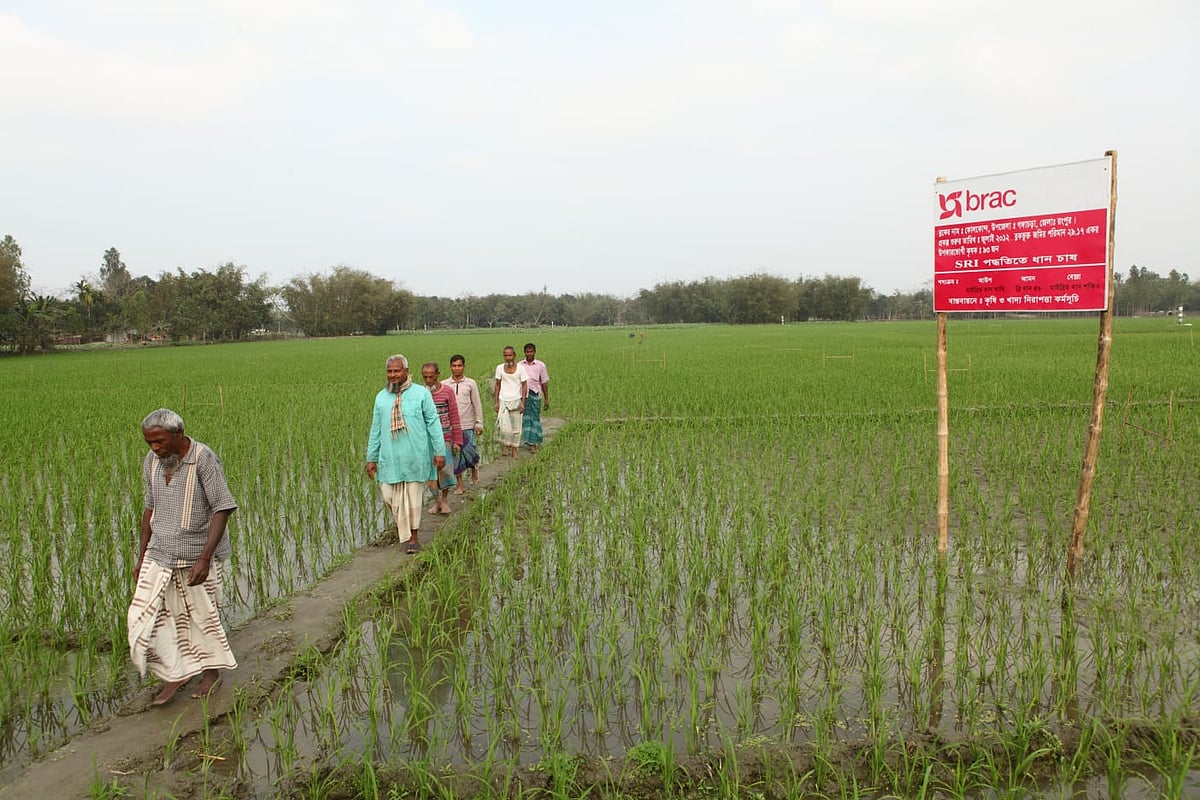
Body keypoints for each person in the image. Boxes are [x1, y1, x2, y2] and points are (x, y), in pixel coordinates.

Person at [127, 408, 238, 707]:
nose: (155, 448)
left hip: (195, 553)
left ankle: (210, 672)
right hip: (160, 551)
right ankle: (175, 672)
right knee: (149, 617)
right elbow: (149, 509)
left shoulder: (203, 458)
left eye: (160, 441)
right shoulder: (152, 462)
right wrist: (141, 557)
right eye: (149, 442)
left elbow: (222, 507)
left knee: (202, 616)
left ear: (178, 435)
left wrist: (204, 558)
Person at [366, 354, 446, 554]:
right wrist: (371, 457)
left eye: (397, 371)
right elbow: (375, 429)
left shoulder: (421, 394)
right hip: (390, 458)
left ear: (406, 372)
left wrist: (439, 451)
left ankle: (413, 538)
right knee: (388, 495)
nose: (393, 375)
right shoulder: (381, 397)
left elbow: (433, 423)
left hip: (415, 456)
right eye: (390, 371)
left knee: (413, 498)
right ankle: (404, 530)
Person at [421, 361, 462, 515]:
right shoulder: (420, 393)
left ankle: (444, 500)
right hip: (426, 440)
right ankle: (436, 501)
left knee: (445, 470)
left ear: (438, 374)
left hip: (445, 437)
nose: (428, 380)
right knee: (430, 472)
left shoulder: (448, 392)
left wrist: (457, 440)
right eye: (425, 377)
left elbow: (454, 415)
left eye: (431, 376)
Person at [443, 354, 483, 492]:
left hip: (468, 425)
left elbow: (476, 404)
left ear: (464, 366)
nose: (457, 368)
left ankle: (474, 470)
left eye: (459, 365)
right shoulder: (444, 385)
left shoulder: (471, 383)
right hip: (452, 427)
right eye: (454, 366)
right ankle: (460, 484)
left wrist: (479, 422)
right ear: (450, 367)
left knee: (470, 452)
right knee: (456, 456)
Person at [493, 345, 527, 458]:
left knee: (516, 427)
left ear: (514, 355)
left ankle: (514, 450)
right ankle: (507, 445)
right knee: (504, 428)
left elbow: (524, 385)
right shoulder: (499, 368)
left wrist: (523, 402)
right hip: (503, 401)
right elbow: (497, 385)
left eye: (510, 355)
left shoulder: (521, 369)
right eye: (506, 355)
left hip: (516, 400)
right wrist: (496, 401)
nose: (508, 357)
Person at [520, 342, 550, 453]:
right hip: (523, 396)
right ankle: (527, 440)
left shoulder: (540, 366)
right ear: (524, 353)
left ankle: (534, 443)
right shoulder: (519, 365)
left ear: (534, 352)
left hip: (535, 394)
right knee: (526, 418)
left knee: (534, 418)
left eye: (531, 351)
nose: (529, 354)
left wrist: (546, 399)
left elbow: (544, 383)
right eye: (527, 352)